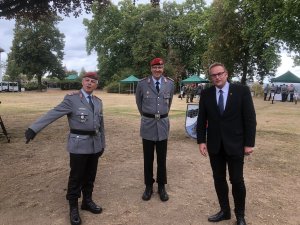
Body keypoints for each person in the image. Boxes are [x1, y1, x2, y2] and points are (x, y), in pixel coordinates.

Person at [25, 72, 106, 225]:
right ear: (82, 82)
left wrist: (102, 144)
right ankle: (73, 208)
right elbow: (53, 113)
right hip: (78, 146)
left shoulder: (98, 101)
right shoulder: (72, 99)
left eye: (93, 81)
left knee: (90, 176)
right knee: (76, 177)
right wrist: (34, 128)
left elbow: (101, 126)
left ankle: (87, 202)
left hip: (94, 145)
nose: (89, 83)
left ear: (96, 84)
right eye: (87, 80)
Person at [196, 63, 256, 225]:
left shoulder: (241, 91)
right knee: (219, 179)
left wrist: (249, 143)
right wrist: (201, 140)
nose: (217, 77)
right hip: (215, 145)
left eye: (220, 74)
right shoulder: (206, 93)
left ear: (226, 74)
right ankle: (225, 211)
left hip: (236, 144)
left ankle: (240, 215)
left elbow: (250, 119)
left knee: (237, 180)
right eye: (213, 75)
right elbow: (201, 119)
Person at [135, 57, 174, 202]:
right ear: (151, 68)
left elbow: (168, 104)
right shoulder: (142, 84)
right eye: (155, 67)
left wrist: (160, 115)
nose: (158, 70)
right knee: (148, 158)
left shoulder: (169, 83)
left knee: (162, 159)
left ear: (163, 68)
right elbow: (139, 103)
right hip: (148, 124)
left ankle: (162, 186)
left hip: (163, 125)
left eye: (160, 67)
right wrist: (148, 116)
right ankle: (148, 186)